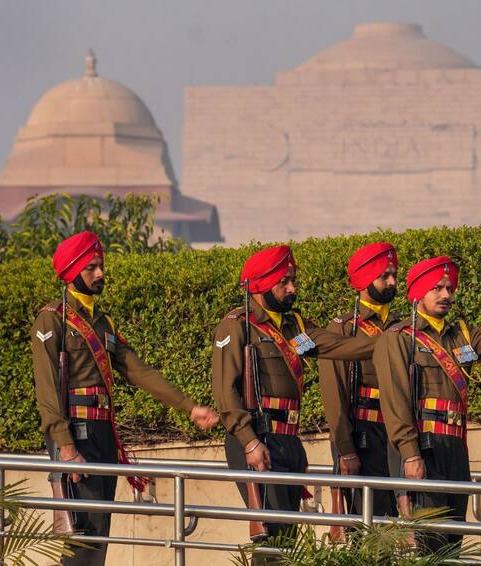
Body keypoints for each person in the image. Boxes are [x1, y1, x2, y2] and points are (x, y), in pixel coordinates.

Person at [31, 231, 219, 566]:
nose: (100, 272)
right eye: (91, 267)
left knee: (101, 530)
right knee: (81, 534)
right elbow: (47, 389)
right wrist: (66, 447)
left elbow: (138, 371)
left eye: (101, 265)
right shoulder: (52, 319)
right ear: (72, 272)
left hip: (103, 434)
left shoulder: (103, 322)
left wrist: (189, 407)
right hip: (75, 434)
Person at [212, 244, 375, 548]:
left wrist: (390, 345)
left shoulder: (294, 326)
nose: (292, 288)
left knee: (286, 539)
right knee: (271, 541)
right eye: (284, 282)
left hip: (288, 441)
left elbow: (338, 347)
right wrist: (249, 441)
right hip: (257, 439)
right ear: (261, 284)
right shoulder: (237, 325)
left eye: (293, 281)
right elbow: (225, 391)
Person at [374, 255, 481, 552]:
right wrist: (410, 454)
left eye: (449, 288)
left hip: (455, 447)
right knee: (426, 542)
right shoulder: (399, 338)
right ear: (418, 293)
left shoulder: (460, 336)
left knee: (453, 541)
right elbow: (395, 402)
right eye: (437, 288)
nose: (446, 295)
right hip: (421, 447)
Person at [319, 242, 402, 518]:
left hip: (400, 437)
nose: (391, 282)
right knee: (369, 527)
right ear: (365, 279)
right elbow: (335, 395)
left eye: (394, 275)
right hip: (365, 436)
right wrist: (345, 449)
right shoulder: (343, 328)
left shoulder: (402, 326)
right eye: (384, 276)